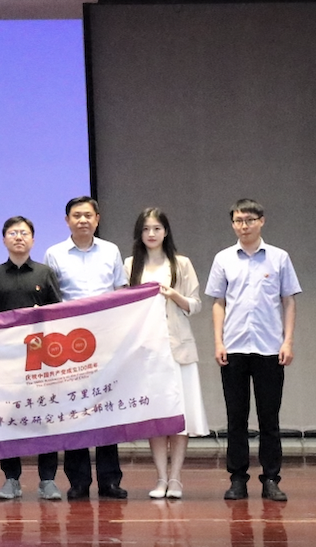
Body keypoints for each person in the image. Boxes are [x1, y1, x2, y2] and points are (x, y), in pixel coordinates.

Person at [206, 198, 301, 504]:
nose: (243, 226)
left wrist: (287, 341)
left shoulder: (279, 258)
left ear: (262, 221)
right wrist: (218, 342)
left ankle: (271, 479)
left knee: (269, 418)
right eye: (238, 221)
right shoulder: (223, 258)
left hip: (269, 348)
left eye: (249, 220)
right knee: (236, 418)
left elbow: (289, 300)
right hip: (233, 347)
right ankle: (237, 479)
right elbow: (218, 302)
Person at [44, 195, 128, 500]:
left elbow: (121, 291)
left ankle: (110, 480)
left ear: (97, 219)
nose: (82, 220)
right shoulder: (54, 254)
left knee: (106, 407)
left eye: (88, 215)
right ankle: (78, 481)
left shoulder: (111, 251)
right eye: (76, 215)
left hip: (105, 340)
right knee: (74, 409)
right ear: (67, 220)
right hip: (70, 343)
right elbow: (52, 298)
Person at [124, 207, 205, 499]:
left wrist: (173, 294)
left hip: (177, 347)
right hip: (147, 351)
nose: (151, 234)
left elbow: (195, 305)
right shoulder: (130, 265)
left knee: (179, 417)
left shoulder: (181, 264)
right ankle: (160, 478)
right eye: (146, 229)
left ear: (166, 232)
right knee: (157, 416)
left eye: (156, 228)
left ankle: (176, 478)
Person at [0, 215, 62, 501]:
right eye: (13, 233)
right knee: (9, 417)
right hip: (7, 359)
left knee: (45, 415)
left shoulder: (44, 272)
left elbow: (57, 315)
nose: (18, 237)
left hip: (40, 357)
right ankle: (11, 479)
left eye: (24, 233)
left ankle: (47, 480)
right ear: (4, 239)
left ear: (33, 240)